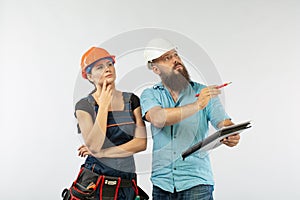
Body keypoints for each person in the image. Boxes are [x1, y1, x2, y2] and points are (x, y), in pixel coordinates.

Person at [140, 38, 240, 200]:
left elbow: (224, 122)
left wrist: (231, 133)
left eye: (175, 55)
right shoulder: (150, 94)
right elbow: (158, 118)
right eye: (167, 58)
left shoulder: (204, 92)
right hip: (162, 184)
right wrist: (197, 105)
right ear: (155, 68)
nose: (176, 60)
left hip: (196, 183)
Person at [75, 47, 147, 199]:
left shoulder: (132, 100)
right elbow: (94, 145)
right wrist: (103, 106)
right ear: (89, 76)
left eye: (109, 64)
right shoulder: (84, 106)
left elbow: (141, 143)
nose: (107, 69)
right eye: (99, 67)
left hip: (126, 181)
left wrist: (103, 153)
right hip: (95, 183)